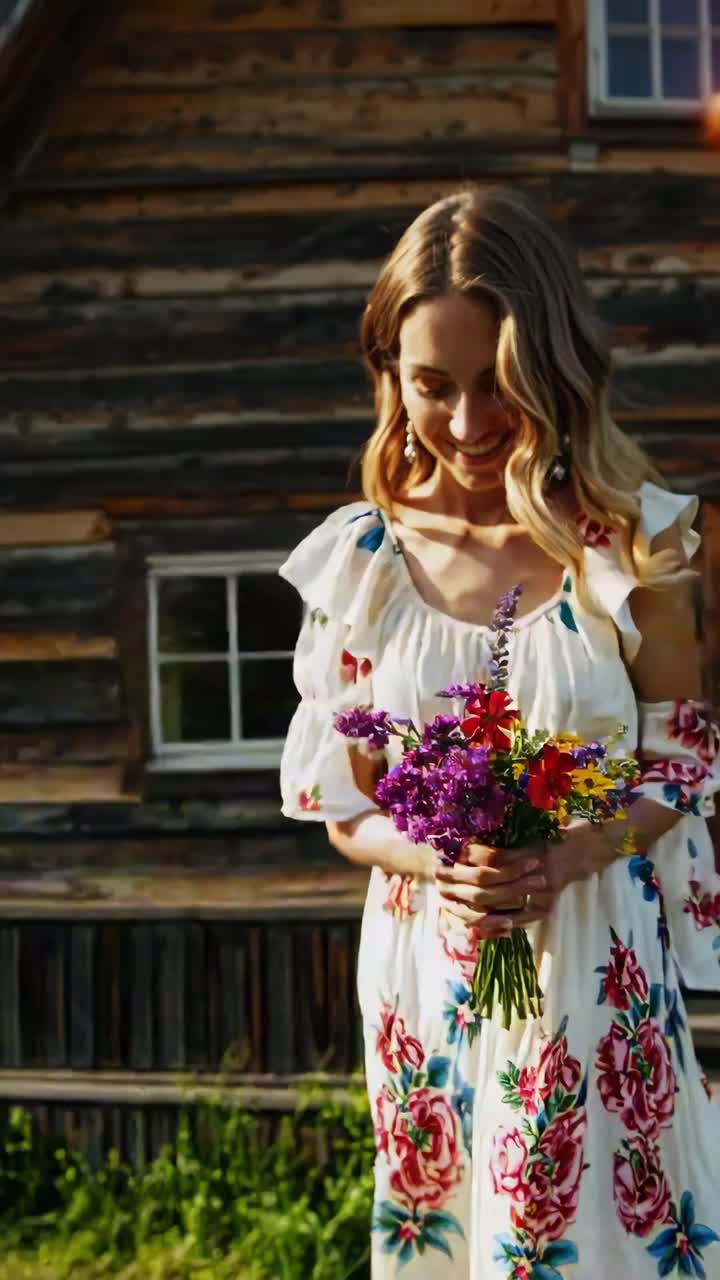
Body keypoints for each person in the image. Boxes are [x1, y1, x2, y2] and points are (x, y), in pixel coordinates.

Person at [277, 187, 720, 1279]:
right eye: (434, 385)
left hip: (593, 959)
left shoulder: (634, 538)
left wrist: (574, 847)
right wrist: (446, 856)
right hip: (429, 967)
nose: (470, 423)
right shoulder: (362, 558)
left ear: (555, 371)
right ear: (391, 374)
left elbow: (685, 755)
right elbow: (347, 800)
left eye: (501, 387)